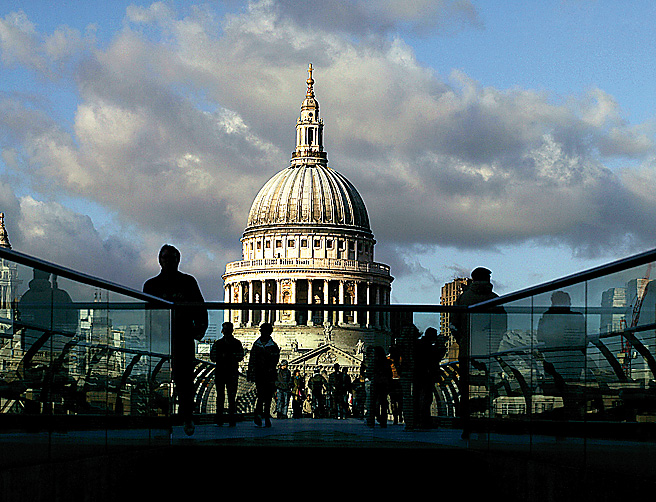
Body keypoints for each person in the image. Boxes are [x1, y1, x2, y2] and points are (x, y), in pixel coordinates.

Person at [143, 244, 208, 436]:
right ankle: (165, 418)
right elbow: (148, 316)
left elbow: (200, 308)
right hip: (163, 339)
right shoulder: (154, 284)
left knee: (185, 381)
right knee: (160, 381)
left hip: (179, 337)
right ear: (159, 260)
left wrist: (199, 330)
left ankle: (185, 416)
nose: (168, 262)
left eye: (171, 258)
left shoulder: (183, 282)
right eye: (165, 258)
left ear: (177, 260)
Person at [451, 267, 506, 438]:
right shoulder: (495, 299)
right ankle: (486, 424)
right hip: (488, 351)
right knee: (489, 388)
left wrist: (462, 341)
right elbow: (502, 326)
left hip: (468, 350)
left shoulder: (463, 299)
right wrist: (494, 344)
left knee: (466, 389)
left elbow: (454, 325)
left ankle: (467, 426)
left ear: (473, 279)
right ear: (488, 279)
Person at [210, 322, 244, 426]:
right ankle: (231, 419)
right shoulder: (237, 343)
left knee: (221, 396)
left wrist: (222, 357)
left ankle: (220, 419)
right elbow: (240, 356)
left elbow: (213, 357)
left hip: (221, 372)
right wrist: (231, 358)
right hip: (231, 372)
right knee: (230, 397)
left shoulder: (218, 343)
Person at [247, 323, 280, 427]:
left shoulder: (270, 346)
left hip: (267, 374)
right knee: (261, 395)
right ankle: (260, 415)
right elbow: (251, 360)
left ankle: (263, 416)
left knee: (267, 397)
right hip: (260, 374)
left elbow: (275, 361)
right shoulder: (264, 345)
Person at [414, 327, 447, 428]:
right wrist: (440, 345)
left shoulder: (419, 344)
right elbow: (436, 357)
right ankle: (424, 421)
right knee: (426, 398)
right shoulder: (427, 346)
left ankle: (419, 420)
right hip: (426, 375)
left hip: (418, 375)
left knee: (419, 398)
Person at [387, 345, 403, 425]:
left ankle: (396, 417)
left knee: (394, 401)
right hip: (398, 382)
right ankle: (398, 416)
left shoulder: (388, 360)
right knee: (399, 401)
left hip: (392, 382)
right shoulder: (400, 360)